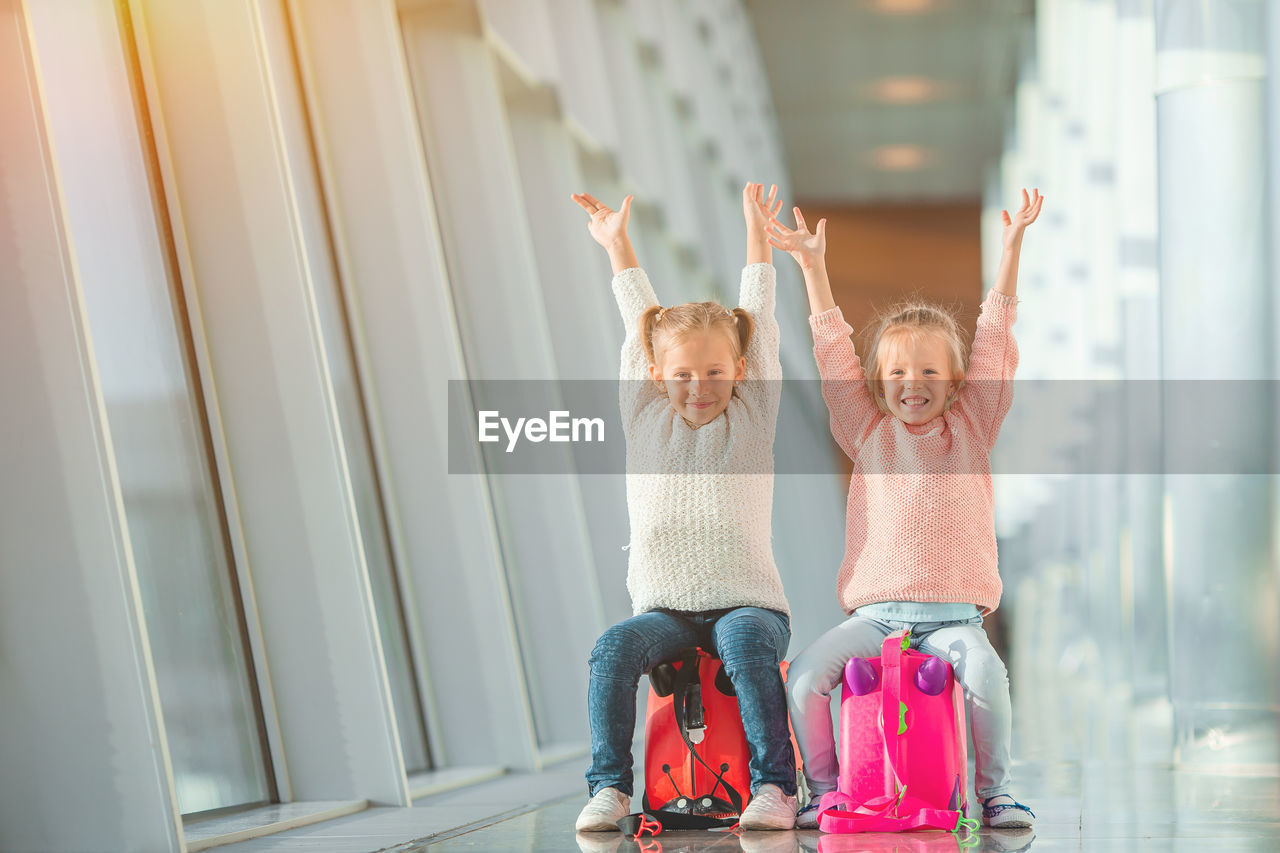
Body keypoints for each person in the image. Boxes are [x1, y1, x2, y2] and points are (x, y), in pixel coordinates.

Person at [768, 190, 1044, 830]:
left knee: (984, 674)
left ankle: (992, 792)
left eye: (927, 371)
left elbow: (994, 342)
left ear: (954, 382)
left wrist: (1010, 252)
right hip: (875, 616)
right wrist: (812, 270)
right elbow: (833, 356)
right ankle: (829, 789)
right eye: (896, 372)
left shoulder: (972, 427)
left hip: (952, 617)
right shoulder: (864, 431)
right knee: (807, 674)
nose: (911, 383)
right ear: (878, 380)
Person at [570, 184, 797, 832]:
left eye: (715, 372)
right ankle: (611, 786)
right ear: (655, 373)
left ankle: (775, 787)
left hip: (749, 603)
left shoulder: (751, 415)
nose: (699, 386)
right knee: (612, 648)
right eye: (682, 374)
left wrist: (758, 238)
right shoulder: (643, 411)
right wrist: (619, 246)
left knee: (742, 637)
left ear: (740, 369)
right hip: (666, 610)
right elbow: (639, 323)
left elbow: (758, 313)